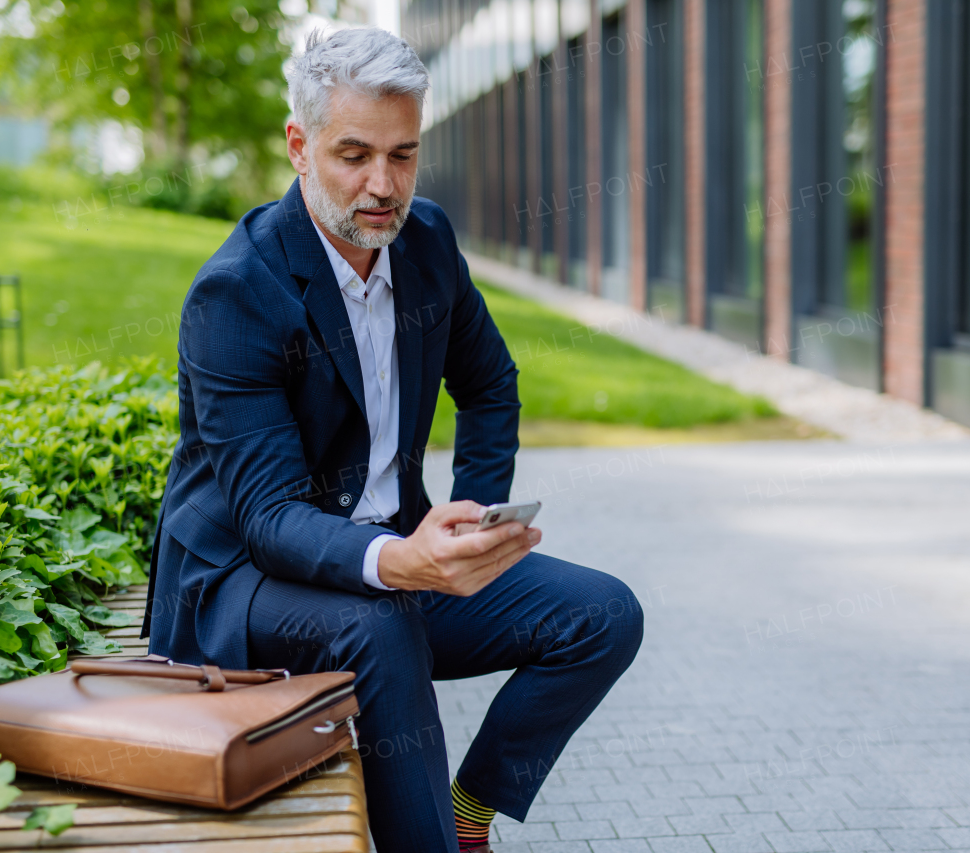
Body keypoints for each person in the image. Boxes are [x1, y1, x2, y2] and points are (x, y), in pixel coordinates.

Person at [141, 26, 643, 853]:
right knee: (381, 625)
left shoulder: (428, 243)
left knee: (602, 614)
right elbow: (267, 516)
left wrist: (471, 524)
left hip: (393, 553)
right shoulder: (237, 293)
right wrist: (397, 563)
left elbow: (490, 384)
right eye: (354, 154)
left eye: (403, 155)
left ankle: (467, 812)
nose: (383, 185)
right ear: (299, 147)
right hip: (245, 587)